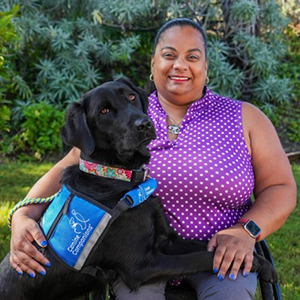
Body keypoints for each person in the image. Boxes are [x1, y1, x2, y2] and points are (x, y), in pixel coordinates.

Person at [9, 18, 296, 300]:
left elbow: (280, 188)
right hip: (133, 256)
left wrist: (246, 230)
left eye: (192, 57)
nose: (180, 65)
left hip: (222, 252)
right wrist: (21, 215)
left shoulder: (244, 117)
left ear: (206, 66)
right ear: (153, 64)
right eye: (169, 55)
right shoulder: (128, 115)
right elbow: (69, 168)